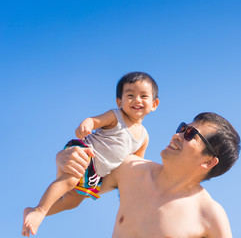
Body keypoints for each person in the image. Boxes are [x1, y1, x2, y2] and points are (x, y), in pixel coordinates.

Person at [52, 112, 240, 237]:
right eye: (182, 128)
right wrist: (63, 161)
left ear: (208, 161)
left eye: (190, 134)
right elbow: (68, 196)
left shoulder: (210, 215)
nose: (178, 135)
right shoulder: (129, 168)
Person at [22, 72, 160, 236]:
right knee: (70, 180)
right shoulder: (115, 116)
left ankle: (33, 211)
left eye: (143, 96)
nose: (137, 100)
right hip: (84, 153)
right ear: (119, 101)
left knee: (73, 201)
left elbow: (136, 161)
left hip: (96, 173)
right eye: (130, 95)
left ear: (154, 104)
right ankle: (39, 210)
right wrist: (86, 125)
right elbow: (94, 121)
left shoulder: (144, 137)